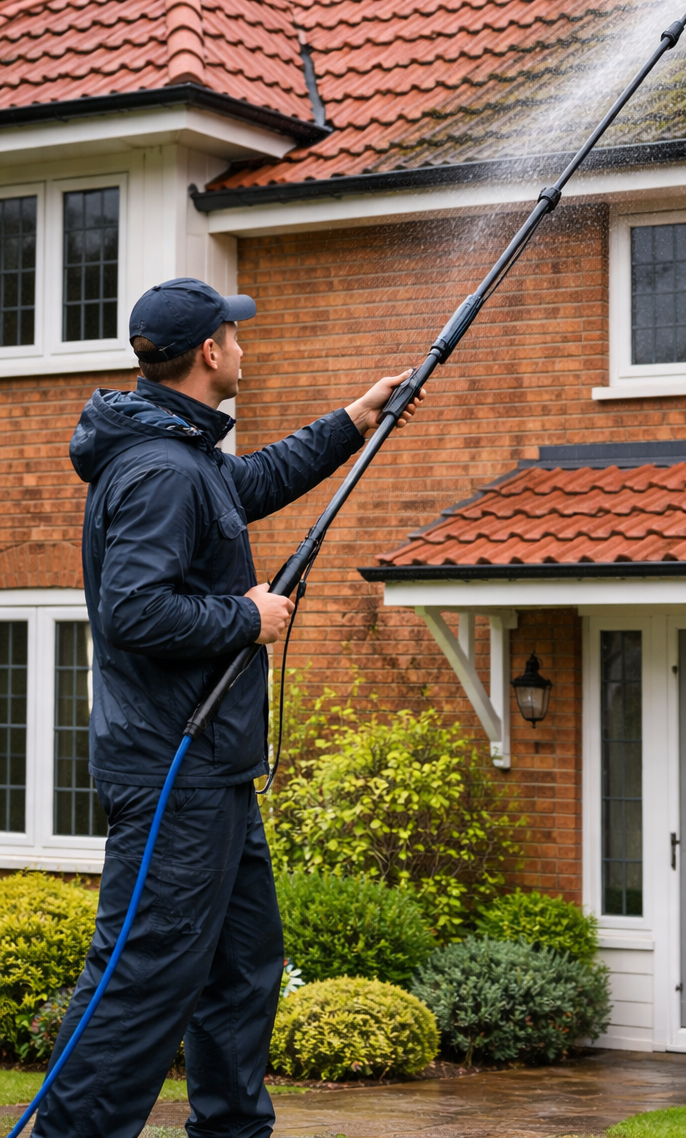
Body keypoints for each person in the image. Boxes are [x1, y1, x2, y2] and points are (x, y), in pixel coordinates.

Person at [36, 277, 422, 1138]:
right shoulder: (157, 470)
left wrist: (354, 419)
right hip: (174, 770)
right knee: (149, 974)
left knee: (243, 968)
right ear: (209, 352)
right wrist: (248, 617)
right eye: (234, 336)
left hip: (214, 767)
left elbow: (245, 485)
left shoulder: (184, 456)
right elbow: (134, 610)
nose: (244, 347)